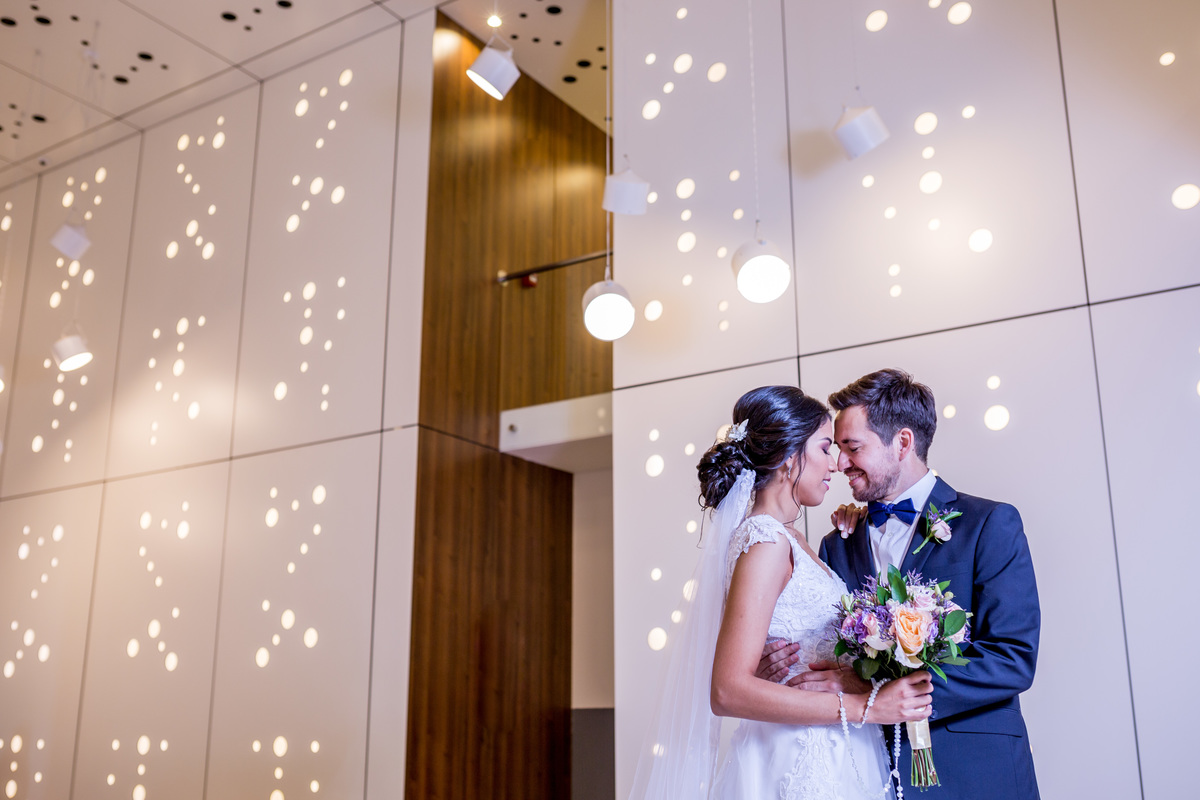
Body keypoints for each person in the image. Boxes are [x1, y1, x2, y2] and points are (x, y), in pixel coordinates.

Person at [629, 385, 933, 799]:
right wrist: (867, 707)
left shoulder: (793, 539)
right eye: (825, 448)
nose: (835, 464)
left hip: (834, 751)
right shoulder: (766, 541)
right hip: (797, 761)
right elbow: (727, 691)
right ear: (790, 458)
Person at [759, 369, 1041, 799]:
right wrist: (777, 665)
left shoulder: (989, 523)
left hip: (975, 773)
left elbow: (1012, 658)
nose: (840, 463)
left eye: (853, 447)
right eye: (836, 449)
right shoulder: (836, 543)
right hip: (868, 774)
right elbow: (827, 651)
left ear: (903, 443)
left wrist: (878, 689)